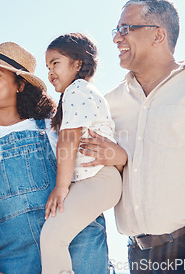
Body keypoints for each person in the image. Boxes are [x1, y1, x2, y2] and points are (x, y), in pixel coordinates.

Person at [81, 0, 185, 273]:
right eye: (116, 31)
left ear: (158, 35)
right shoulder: (108, 103)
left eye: (125, 29)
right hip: (139, 257)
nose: (117, 39)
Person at [0, 42, 111, 273]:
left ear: (20, 85)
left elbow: (95, 164)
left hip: (76, 243)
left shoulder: (54, 127)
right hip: (13, 255)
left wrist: (119, 155)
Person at [40, 33, 122, 274]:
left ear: (77, 64)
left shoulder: (77, 90)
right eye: (47, 66)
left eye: (55, 63)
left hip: (97, 179)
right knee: (56, 236)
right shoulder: (78, 93)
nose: (50, 71)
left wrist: (61, 187)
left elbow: (69, 138)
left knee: (52, 237)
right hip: (96, 180)